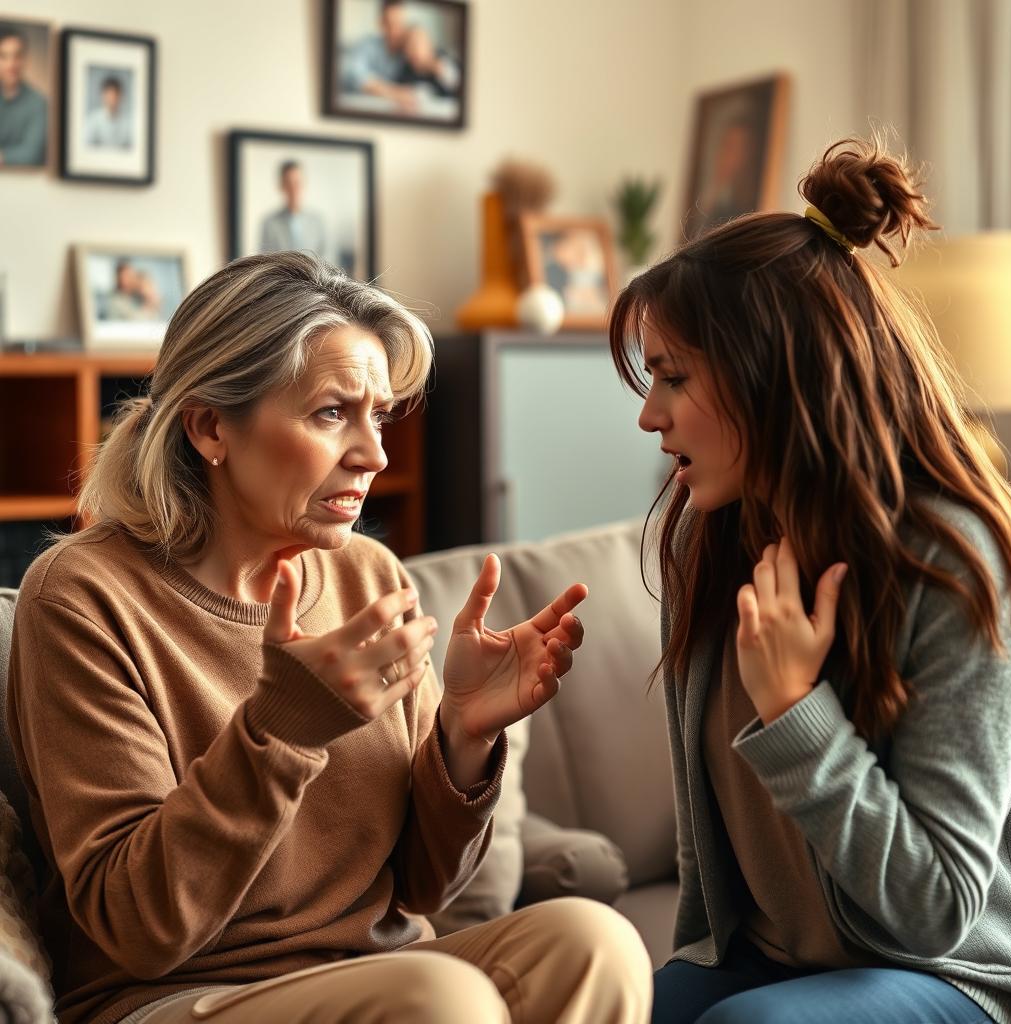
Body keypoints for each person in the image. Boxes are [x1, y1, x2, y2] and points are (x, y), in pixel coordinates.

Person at [7, 252, 653, 1024]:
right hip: (174, 997)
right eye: (330, 413)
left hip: (377, 969)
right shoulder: (85, 596)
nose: (374, 454)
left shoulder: (369, 574)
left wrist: (462, 739)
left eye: (378, 414)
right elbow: (141, 929)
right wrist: (279, 730)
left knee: (593, 940)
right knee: (441, 1000)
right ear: (211, 426)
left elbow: (420, 890)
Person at [609, 135, 1011, 1024]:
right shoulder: (705, 549)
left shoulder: (952, 557)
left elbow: (942, 908)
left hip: (957, 976)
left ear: (774, 376)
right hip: (765, 963)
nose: (650, 415)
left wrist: (797, 712)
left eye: (674, 378)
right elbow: (707, 866)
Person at [341, 0, 460, 115]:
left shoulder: (427, 58)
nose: (395, 30)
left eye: (399, 23)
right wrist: (396, 93)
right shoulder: (367, 45)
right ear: (381, 23)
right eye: (390, 24)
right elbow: (354, 74)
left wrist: (434, 65)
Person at [259, 160, 329, 258]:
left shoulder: (318, 222)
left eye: (297, 183)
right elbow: (265, 262)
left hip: (315, 273)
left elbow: (328, 260)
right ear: (282, 186)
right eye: (288, 183)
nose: (293, 189)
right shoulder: (270, 223)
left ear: (304, 184)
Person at [0, 23, 47, 167]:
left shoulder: (39, 103)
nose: (11, 64)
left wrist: (3, 157)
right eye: (4, 56)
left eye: (17, 56)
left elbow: (32, 154)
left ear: (25, 59)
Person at [84, 74, 132, 149]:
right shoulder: (93, 119)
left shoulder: (128, 122)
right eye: (109, 95)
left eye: (115, 95)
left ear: (120, 96)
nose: (112, 99)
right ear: (103, 95)